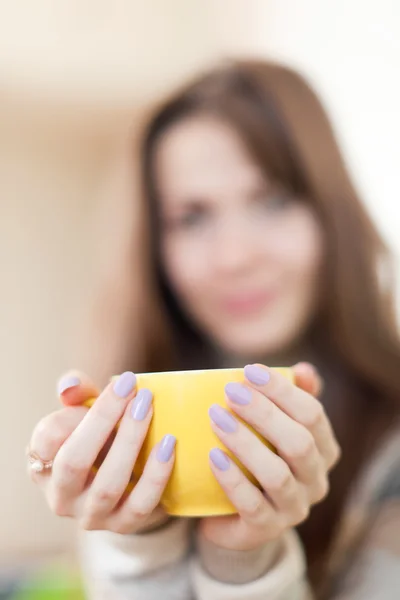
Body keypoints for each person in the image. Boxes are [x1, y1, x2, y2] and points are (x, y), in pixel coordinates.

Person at [27, 60, 400, 600]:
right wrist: (141, 544)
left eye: (272, 200)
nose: (235, 257)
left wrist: (245, 562)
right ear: (156, 251)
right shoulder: (123, 440)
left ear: (330, 215)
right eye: (193, 217)